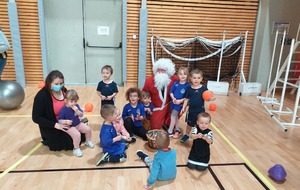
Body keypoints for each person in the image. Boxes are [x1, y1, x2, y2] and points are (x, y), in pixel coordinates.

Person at [32, 70, 86, 151]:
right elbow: (36, 117)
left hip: (67, 121)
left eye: (61, 83)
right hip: (52, 124)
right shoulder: (42, 96)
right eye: (56, 84)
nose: (59, 86)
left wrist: (77, 113)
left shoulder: (64, 90)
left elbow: (70, 104)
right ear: (49, 83)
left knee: (81, 136)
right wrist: (56, 125)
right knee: (68, 143)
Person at [180, 69, 215, 143]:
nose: (196, 80)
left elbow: (209, 97)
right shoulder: (189, 89)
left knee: (200, 125)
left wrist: (211, 98)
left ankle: (199, 136)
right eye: (194, 78)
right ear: (191, 78)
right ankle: (187, 135)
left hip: (200, 112)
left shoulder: (204, 89)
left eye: (198, 78)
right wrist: (183, 107)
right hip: (191, 111)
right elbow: (186, 99)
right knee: (189, 125)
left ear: (201, 79)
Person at [142, 58, 178, 130]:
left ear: (168, 71)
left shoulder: (174, 79)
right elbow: (143, 95)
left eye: (163, 70)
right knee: (155, 126)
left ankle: (167, 123)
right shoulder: (149, 80)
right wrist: (146, 107)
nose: (160, 72)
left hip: (170, 106)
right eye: (159, 69)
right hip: (156, 108)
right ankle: (162, 121)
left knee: (177, 111)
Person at [57, 89, 94, 157]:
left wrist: (77, 111)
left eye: (75, 101)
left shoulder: (77, 106)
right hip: (70, 127)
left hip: (78, 124)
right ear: (66, 101)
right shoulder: (64, 110)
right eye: (71, 101)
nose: (74, 103)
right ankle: (76, 149)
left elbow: (81, 115)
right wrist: (65, 121)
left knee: (88, 129)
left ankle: (88, 141)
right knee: (77, 135)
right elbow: (59, 120)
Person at [168, 67, 190, 138]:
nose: (183, 76)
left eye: (184, 74)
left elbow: (187, 97)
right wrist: (173, 98)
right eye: (181, 74)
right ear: (178, 75)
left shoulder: (187, 85)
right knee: (176, 117)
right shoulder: (175, 83)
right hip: (173, 103)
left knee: (173, 116)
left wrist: (180, 101)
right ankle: (177, 129)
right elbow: (171, 92)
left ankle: (170, 131)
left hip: (179, 105)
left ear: (187, 75)